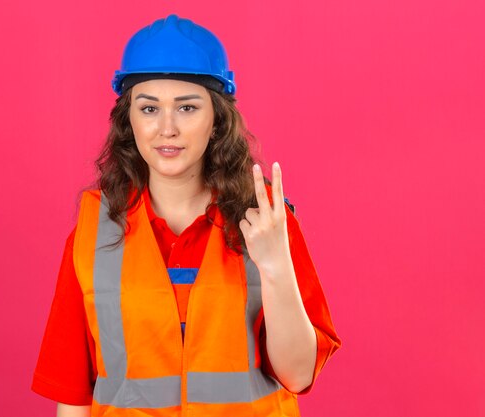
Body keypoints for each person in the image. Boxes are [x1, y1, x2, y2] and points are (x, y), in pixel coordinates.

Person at [32, 14, 341, 417]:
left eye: (187, 108)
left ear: (216, 120)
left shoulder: (267, 220)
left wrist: (276, 267)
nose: (167, 128)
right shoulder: (94, 232)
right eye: (149, 109)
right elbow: (73, 395)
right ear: (129, 119)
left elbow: (298, 376)